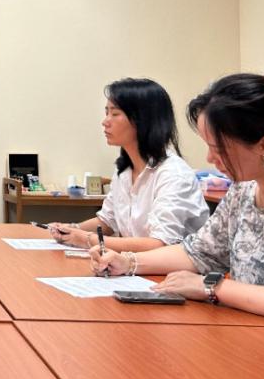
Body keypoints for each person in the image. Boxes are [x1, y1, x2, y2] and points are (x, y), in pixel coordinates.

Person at [91, 66, 264, 340]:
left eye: (218, 148)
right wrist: (128, 262)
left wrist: (212, 287)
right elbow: (200, 252)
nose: (210, 158)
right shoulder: (244, 191)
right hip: (252, 337)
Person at [49, 78, 207, 252]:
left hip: (168, 267)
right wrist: (71, 229)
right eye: (106, 113)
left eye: (115, 114)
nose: (105, 121)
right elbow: (107, 222)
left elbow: (160, 244)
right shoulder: (124, 170)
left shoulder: (174, 174)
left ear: (142, 120)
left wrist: (87, 239)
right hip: (134, 264)